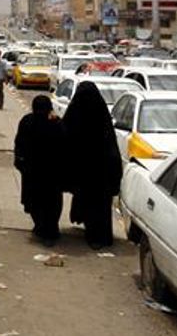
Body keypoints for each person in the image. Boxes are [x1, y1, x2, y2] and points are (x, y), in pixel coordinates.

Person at [62, 80, 122, 248]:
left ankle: (92, 233)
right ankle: (100, 236)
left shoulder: (75, 111)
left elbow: (64, 137)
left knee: (87, 199)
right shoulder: (102, 115)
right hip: (101, 171)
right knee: (100, 205)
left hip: (83, 170)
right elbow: (112, 147)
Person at [13, 95, 64, 243]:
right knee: (52, 202)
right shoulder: (55, 124)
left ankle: (41, 227)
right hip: (51, 173)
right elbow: (64, 147)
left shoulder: (27, 121)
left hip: (32, 172)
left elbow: (19, 144)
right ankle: (50, 229)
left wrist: (20, 162)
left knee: (34, 200)